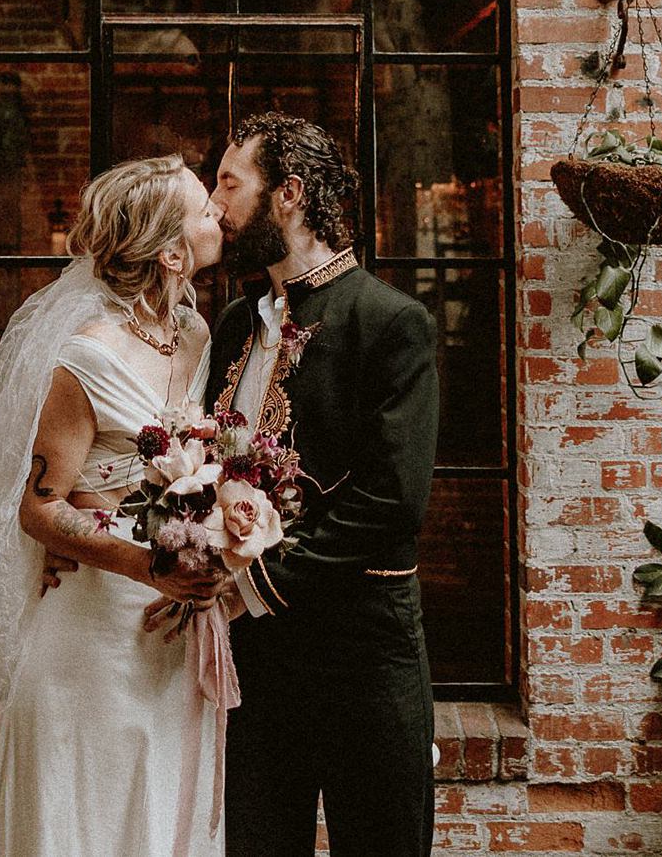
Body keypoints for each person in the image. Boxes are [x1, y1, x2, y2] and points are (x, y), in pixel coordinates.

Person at [0, 154, 231, 857]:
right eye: (203, 208)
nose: (218, 214)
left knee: (163, 806)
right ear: (170, 252)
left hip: (176, 626)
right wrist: (146, 565)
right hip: (96, 626)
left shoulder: (195, 335)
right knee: (90, 818)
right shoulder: (88, 355)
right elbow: (39, 508)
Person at [191, 112, 441, 857]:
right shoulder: (236, 323)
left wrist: (254, 583)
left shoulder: (391, 322)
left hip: (365, 652)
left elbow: (393, 501)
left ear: (289, 195)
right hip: (258, 669)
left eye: (230, 184)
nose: (215, 205)